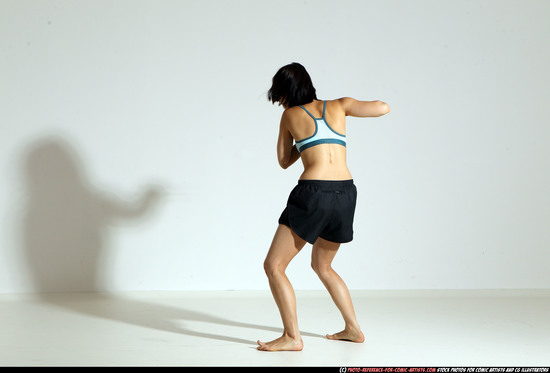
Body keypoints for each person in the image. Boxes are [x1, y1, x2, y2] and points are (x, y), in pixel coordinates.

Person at [257, 63, 390, 352]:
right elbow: (382, 107)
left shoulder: (290, 115)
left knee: (274, 266)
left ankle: (292, 337)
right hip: (345, 193)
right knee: (323, 265)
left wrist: (303, 140)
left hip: (313, 194)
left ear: (284, 92)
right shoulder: (340, 106)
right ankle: (353, 329)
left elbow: (283, 160)